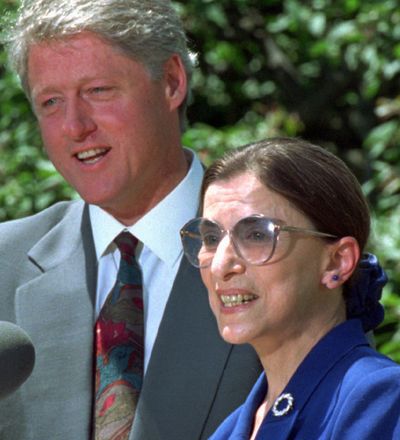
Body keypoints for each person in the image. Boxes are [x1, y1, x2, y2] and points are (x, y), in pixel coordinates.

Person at [0, 1, 261, 439]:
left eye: (98, 91)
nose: (74, 125)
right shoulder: (3, 265)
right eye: (51, 101)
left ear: (172, 82)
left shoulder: (278, 252)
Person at [180, 137, 400, 439]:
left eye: (257, 235)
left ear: (337, 261)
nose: (220, 265)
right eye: (211, 238)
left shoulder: (380, 399)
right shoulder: (231, 429)